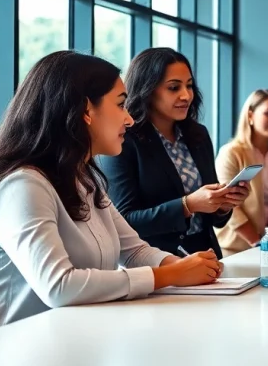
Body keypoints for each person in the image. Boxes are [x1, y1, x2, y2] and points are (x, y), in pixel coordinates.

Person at [0, 51, 224, 333]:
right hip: (17, 353)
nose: (130, 120)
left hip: (74, 339)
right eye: (121, 105)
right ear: (86, 111)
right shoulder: (22, 185)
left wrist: (185, 266)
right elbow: (59, 286)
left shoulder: (84, 179)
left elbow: (134, 251)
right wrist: (169, 274)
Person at [97, 48, 247, 259]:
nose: (186, 95)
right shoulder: (124, 140)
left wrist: (222, 204)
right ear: (147, 89)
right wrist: (188, 204)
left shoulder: (198, 135)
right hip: (156, 263)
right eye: (174, 87)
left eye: (189, 86)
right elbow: (125, 221)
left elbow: (212, 219)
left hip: (208, 257)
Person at [215, 89, 268, 255]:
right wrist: (256, 242)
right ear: (251, 116)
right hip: (234, 250)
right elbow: (228, 205)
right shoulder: (231, 153)